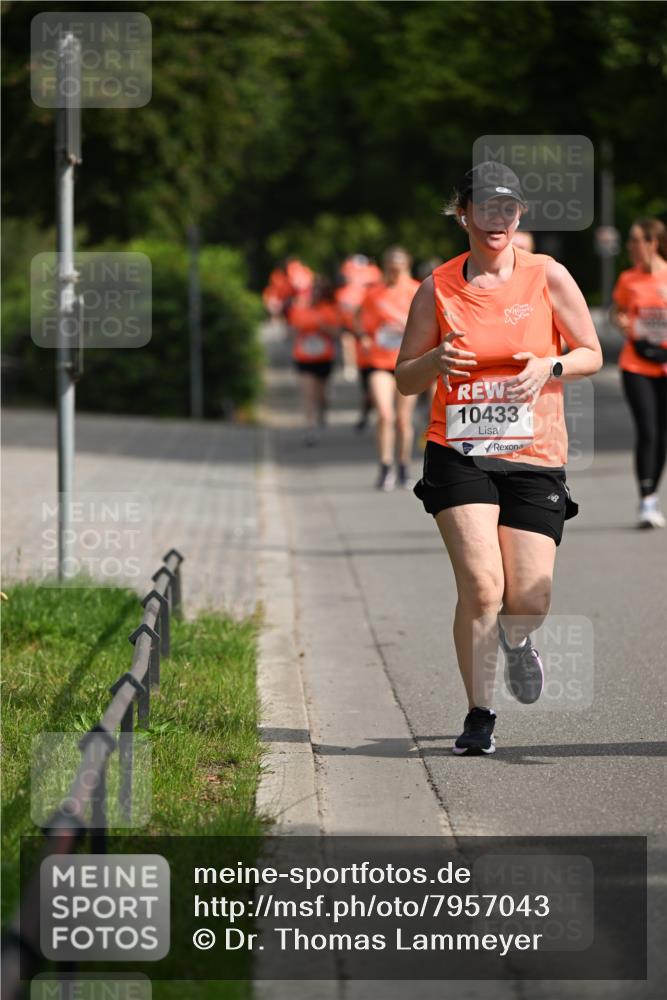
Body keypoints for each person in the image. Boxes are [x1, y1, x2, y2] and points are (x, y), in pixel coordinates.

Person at [395, 161, 602, 755]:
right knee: (483, 587)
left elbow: (591, 352)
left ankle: (517, 640)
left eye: (507, 208)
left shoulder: (547, 275)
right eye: (485, 207)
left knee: (528, 598)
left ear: (519, 215)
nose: (497, 219)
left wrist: (550, 366)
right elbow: (405, 378)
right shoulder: (437, 287)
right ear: (463, 214)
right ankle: (479, 713)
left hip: (534, 452)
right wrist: (434, 361)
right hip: (459, 450)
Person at [611, 218, 667, 528]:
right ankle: (646, 500)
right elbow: (617, 310)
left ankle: (652, 496)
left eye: (636, 240)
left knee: (663, 434)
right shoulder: (628, 279)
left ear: (652, 242)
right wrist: (620, 321)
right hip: (636, 364)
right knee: (648, 431)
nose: (631, 246)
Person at [358, 247, 420, 490]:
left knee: (403, 419)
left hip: (408, 362)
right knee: (385, 415)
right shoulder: (374, 293)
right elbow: (360, 319)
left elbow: (430, 322)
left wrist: (407, 325)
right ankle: (385, 468)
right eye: (391, 269)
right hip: (379, 361)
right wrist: (363, 337)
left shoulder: (417, 290)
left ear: (407, 266)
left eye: (399, 268)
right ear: (385, 267)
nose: (394, 273)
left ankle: (403, 467)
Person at [287, 276, 341, 445]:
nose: (315, 294)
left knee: (321, 395)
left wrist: (323, 327)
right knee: (308, 394)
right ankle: (310, 428)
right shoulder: (299, 310)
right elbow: (290, 332)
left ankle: (322, 410)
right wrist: (299, 330)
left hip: (323, 358)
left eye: (318, 291)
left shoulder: (329, 310)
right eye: (313, 291)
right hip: (304, 357)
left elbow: (337, 333)